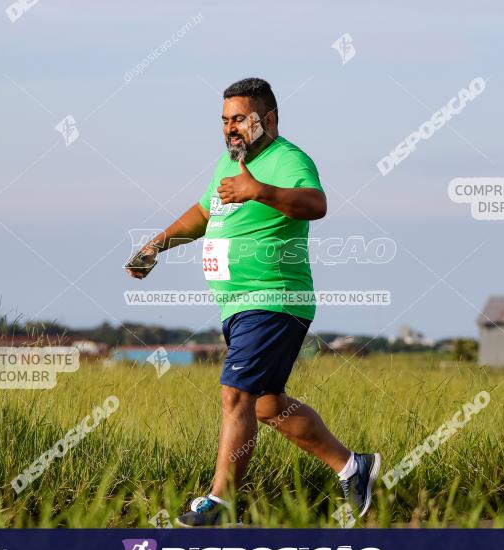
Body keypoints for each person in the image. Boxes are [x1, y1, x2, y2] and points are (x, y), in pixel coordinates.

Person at [126, 77, 380, 527]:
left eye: (240, 119)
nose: (231, 129)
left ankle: (220, 504)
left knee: (235, 394)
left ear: (269, 119)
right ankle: (352, 467)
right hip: (239, 307)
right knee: (264, 405)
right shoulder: (229, 165)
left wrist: (259, 190)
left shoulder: (287, 160)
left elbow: (315, 203)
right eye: (225, 121)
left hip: (275, 299)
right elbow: (204, 213)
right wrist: (156, 245)